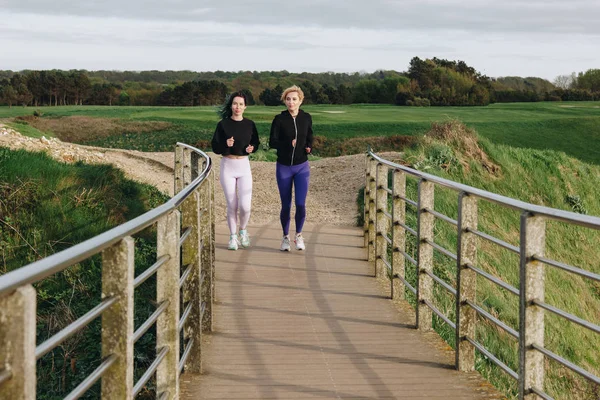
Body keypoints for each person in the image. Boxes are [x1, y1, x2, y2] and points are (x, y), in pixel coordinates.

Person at [211, 91, 260, 250]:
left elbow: (256, 142)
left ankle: (243, 230)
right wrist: (226, 144)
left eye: (240, 104)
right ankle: (232, 237)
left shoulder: (250, 124)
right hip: (228, 166)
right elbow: (216, 148)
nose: (237, 107)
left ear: (245, 107)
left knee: (245, 206)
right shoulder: (223, 124)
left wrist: (253, 148)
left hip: (244, 166)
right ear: (231, 105)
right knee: (232, 205)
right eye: (235, 103)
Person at [268, 85, 313, 251]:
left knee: (300, 204)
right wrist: (288, 144)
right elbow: (272, 142)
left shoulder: (306, 117)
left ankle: (299, 235)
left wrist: (309, 146)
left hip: (302, 166)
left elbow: (310, 135)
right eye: (288, 99)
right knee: (286, 205)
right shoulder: (279, 120)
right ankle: (285, 237)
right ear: (284, 101)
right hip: (284, 167)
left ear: (300, 101)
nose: (291, 102)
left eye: (294, 99)